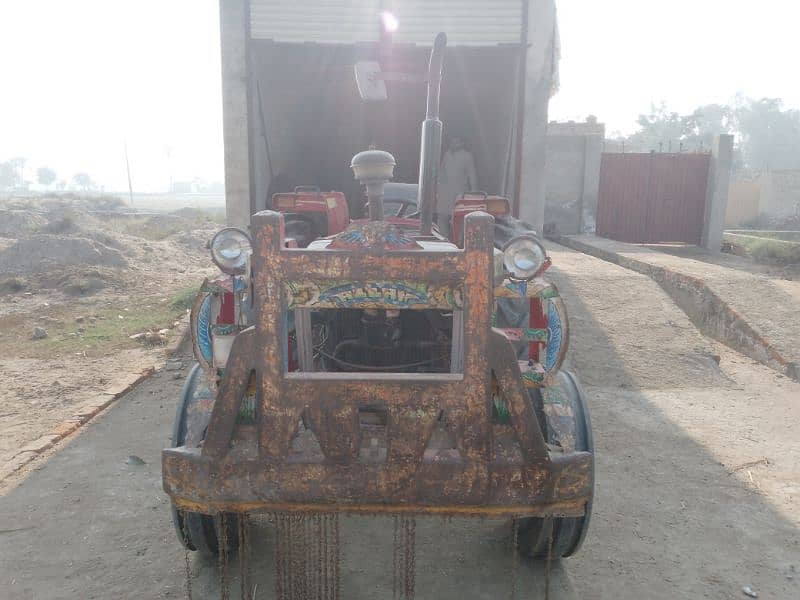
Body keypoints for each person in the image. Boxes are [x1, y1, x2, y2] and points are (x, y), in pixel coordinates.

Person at [436, 136, 478, 237]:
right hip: (445, 194)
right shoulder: (447, 154)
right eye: (452, 141)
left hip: (460, 193)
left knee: (459, 219)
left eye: (457, 141)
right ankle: (443, 243)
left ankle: (458, 245)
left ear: (462, 143)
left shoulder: (467, 156)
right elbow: (441, 173)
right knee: (442, 218)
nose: (454, 143)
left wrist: (474, 195)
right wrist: (437, 189)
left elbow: (472, 176)